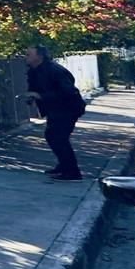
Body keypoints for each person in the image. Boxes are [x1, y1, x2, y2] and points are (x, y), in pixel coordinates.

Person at [25, 44, 87, 180]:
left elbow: (68, 92)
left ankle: (72, 172)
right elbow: (34, 87)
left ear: (39, 57)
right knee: (52, 136)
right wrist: (31, 96)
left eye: (29, 54)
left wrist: (41, 96)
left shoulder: (55, 70)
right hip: (55, 109)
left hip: (69, 108)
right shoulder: (34, 70)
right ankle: (64, 166)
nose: (26, 57)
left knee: (58, 138)